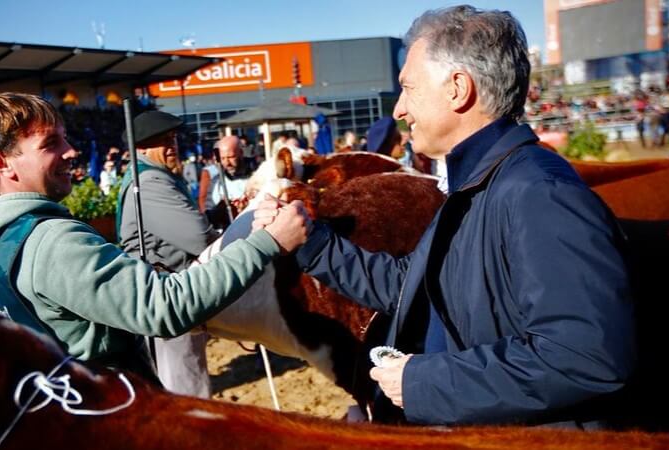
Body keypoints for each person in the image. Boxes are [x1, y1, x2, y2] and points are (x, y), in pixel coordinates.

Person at [254, 5, 634, 427]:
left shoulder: (538, 194)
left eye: (409, 88)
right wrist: (312, 240)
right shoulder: (478, 185)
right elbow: (412, 284)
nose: (398, 109)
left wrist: (422, 382)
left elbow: (584, 355)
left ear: (457, 88)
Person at [0, 92, 310, 378]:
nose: (70, 151)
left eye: (65, 137)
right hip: (104, 413)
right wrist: (269, 242)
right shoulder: (52, 241)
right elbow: (165, 307)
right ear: (2, 164)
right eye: (51, 143)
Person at [116, 110, 219, 398]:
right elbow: (200, 238)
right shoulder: (151, 182)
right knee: (186, 389)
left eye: (172, 138)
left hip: (164, 289)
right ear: (141, 148)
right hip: (166, 296)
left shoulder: (153, 175)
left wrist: (213, 214)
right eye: (162, 141)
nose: (172, 146)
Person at [206, 135, 251, 224]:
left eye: (231, 157)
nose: (227, 163)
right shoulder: (217, 182)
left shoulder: (256, 175)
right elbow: (208, 212)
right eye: (223, 158)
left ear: (241, 153)